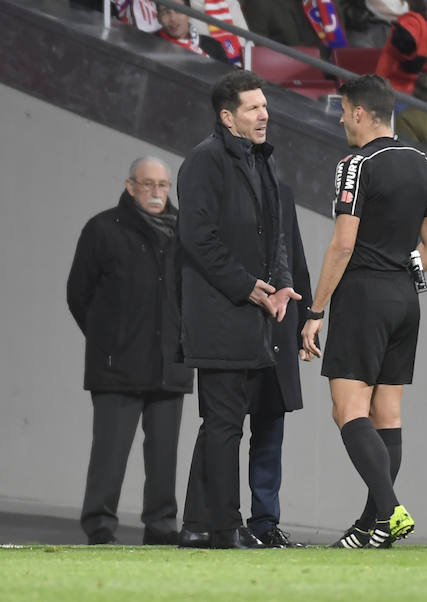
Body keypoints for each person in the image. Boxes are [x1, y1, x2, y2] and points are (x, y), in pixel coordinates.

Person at [300, 74, 427, 549]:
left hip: (362, 295)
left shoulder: (356, 164)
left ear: (360, 112)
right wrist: (404, 273)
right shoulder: (425, 163)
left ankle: (390, 510)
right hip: (406, 298)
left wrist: (315, 309)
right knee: (386, 414)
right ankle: (372, 526)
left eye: (344, 111)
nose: (342, 118)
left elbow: (342, 245)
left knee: (348, 409)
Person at [177, 70, 303, 549]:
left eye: (265, 105)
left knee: (222, 425)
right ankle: (226, 528)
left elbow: (277, 237)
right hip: (219, 316)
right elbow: (197, 239)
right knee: (226, 425)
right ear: (227, 117)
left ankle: (195, 524)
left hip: (254, 318)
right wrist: (251, 288)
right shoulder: (204, 162)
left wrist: (282, 286)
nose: (264, 114)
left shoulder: (262, 162)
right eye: (253, 107)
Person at [67, 156, 194, 546]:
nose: (157, 193)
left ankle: (161, 526)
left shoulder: (185, 233)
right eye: (148, 184)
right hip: (116, 365)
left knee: (163, 456)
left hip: (169, 364)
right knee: (109, 452)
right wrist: (109, 340)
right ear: (130, 186)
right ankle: (100, 525)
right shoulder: (103, 229)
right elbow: (79, 294)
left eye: (163, 185)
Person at [244, 0, 348, 55]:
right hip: (282, 80)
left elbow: (341, 48)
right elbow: (257, 52)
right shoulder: (260, 3)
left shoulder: (327, 3)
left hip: (329, 75)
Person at [155, 0, 229, 63]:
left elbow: (230, 77)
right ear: (158, 18)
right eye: (165, 12)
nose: (173, 19)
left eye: (178, 10)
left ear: (189, 13)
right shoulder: (150, 44)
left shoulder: (214, 46)